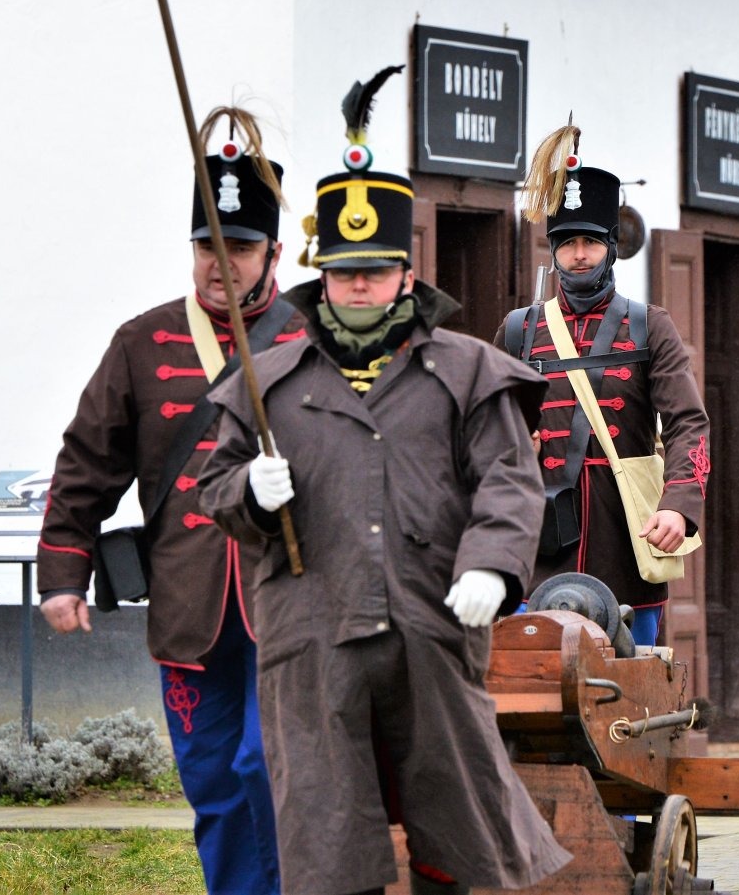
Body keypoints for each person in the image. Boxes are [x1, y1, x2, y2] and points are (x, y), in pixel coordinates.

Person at [197, 67, 571, 895]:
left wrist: (492, 562)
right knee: (330, 841)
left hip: (433, 627)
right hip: (311, 631)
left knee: (456, 826)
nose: (357, 284)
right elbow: (213, 487)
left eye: (374, 269)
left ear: (407, 271)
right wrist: (246, 494)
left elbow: (511, 480)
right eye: (342, 270)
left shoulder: (468, 372)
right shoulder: (268, 381)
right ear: (319, 274)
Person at [38, 108, 300, 895]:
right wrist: (63, 571)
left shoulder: (309, 336)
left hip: (288, 594)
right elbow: (88, 459)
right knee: (212, 779)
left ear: (273, 252)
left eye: (241, 245)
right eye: (205, 244)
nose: (220, 261)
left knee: (269, 762)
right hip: (187, 603)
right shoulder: (141, 341)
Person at [495, 122, 709, 647]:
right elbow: (488, 428)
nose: (580, 255)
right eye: (568, 244)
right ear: (554, 251)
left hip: (626, 534)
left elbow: (688, 423)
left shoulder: (649, 325)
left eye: (591, 241)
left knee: (631, 684)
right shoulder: (519, 329)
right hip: (540, 539)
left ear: (610, 247)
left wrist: (678, 506)